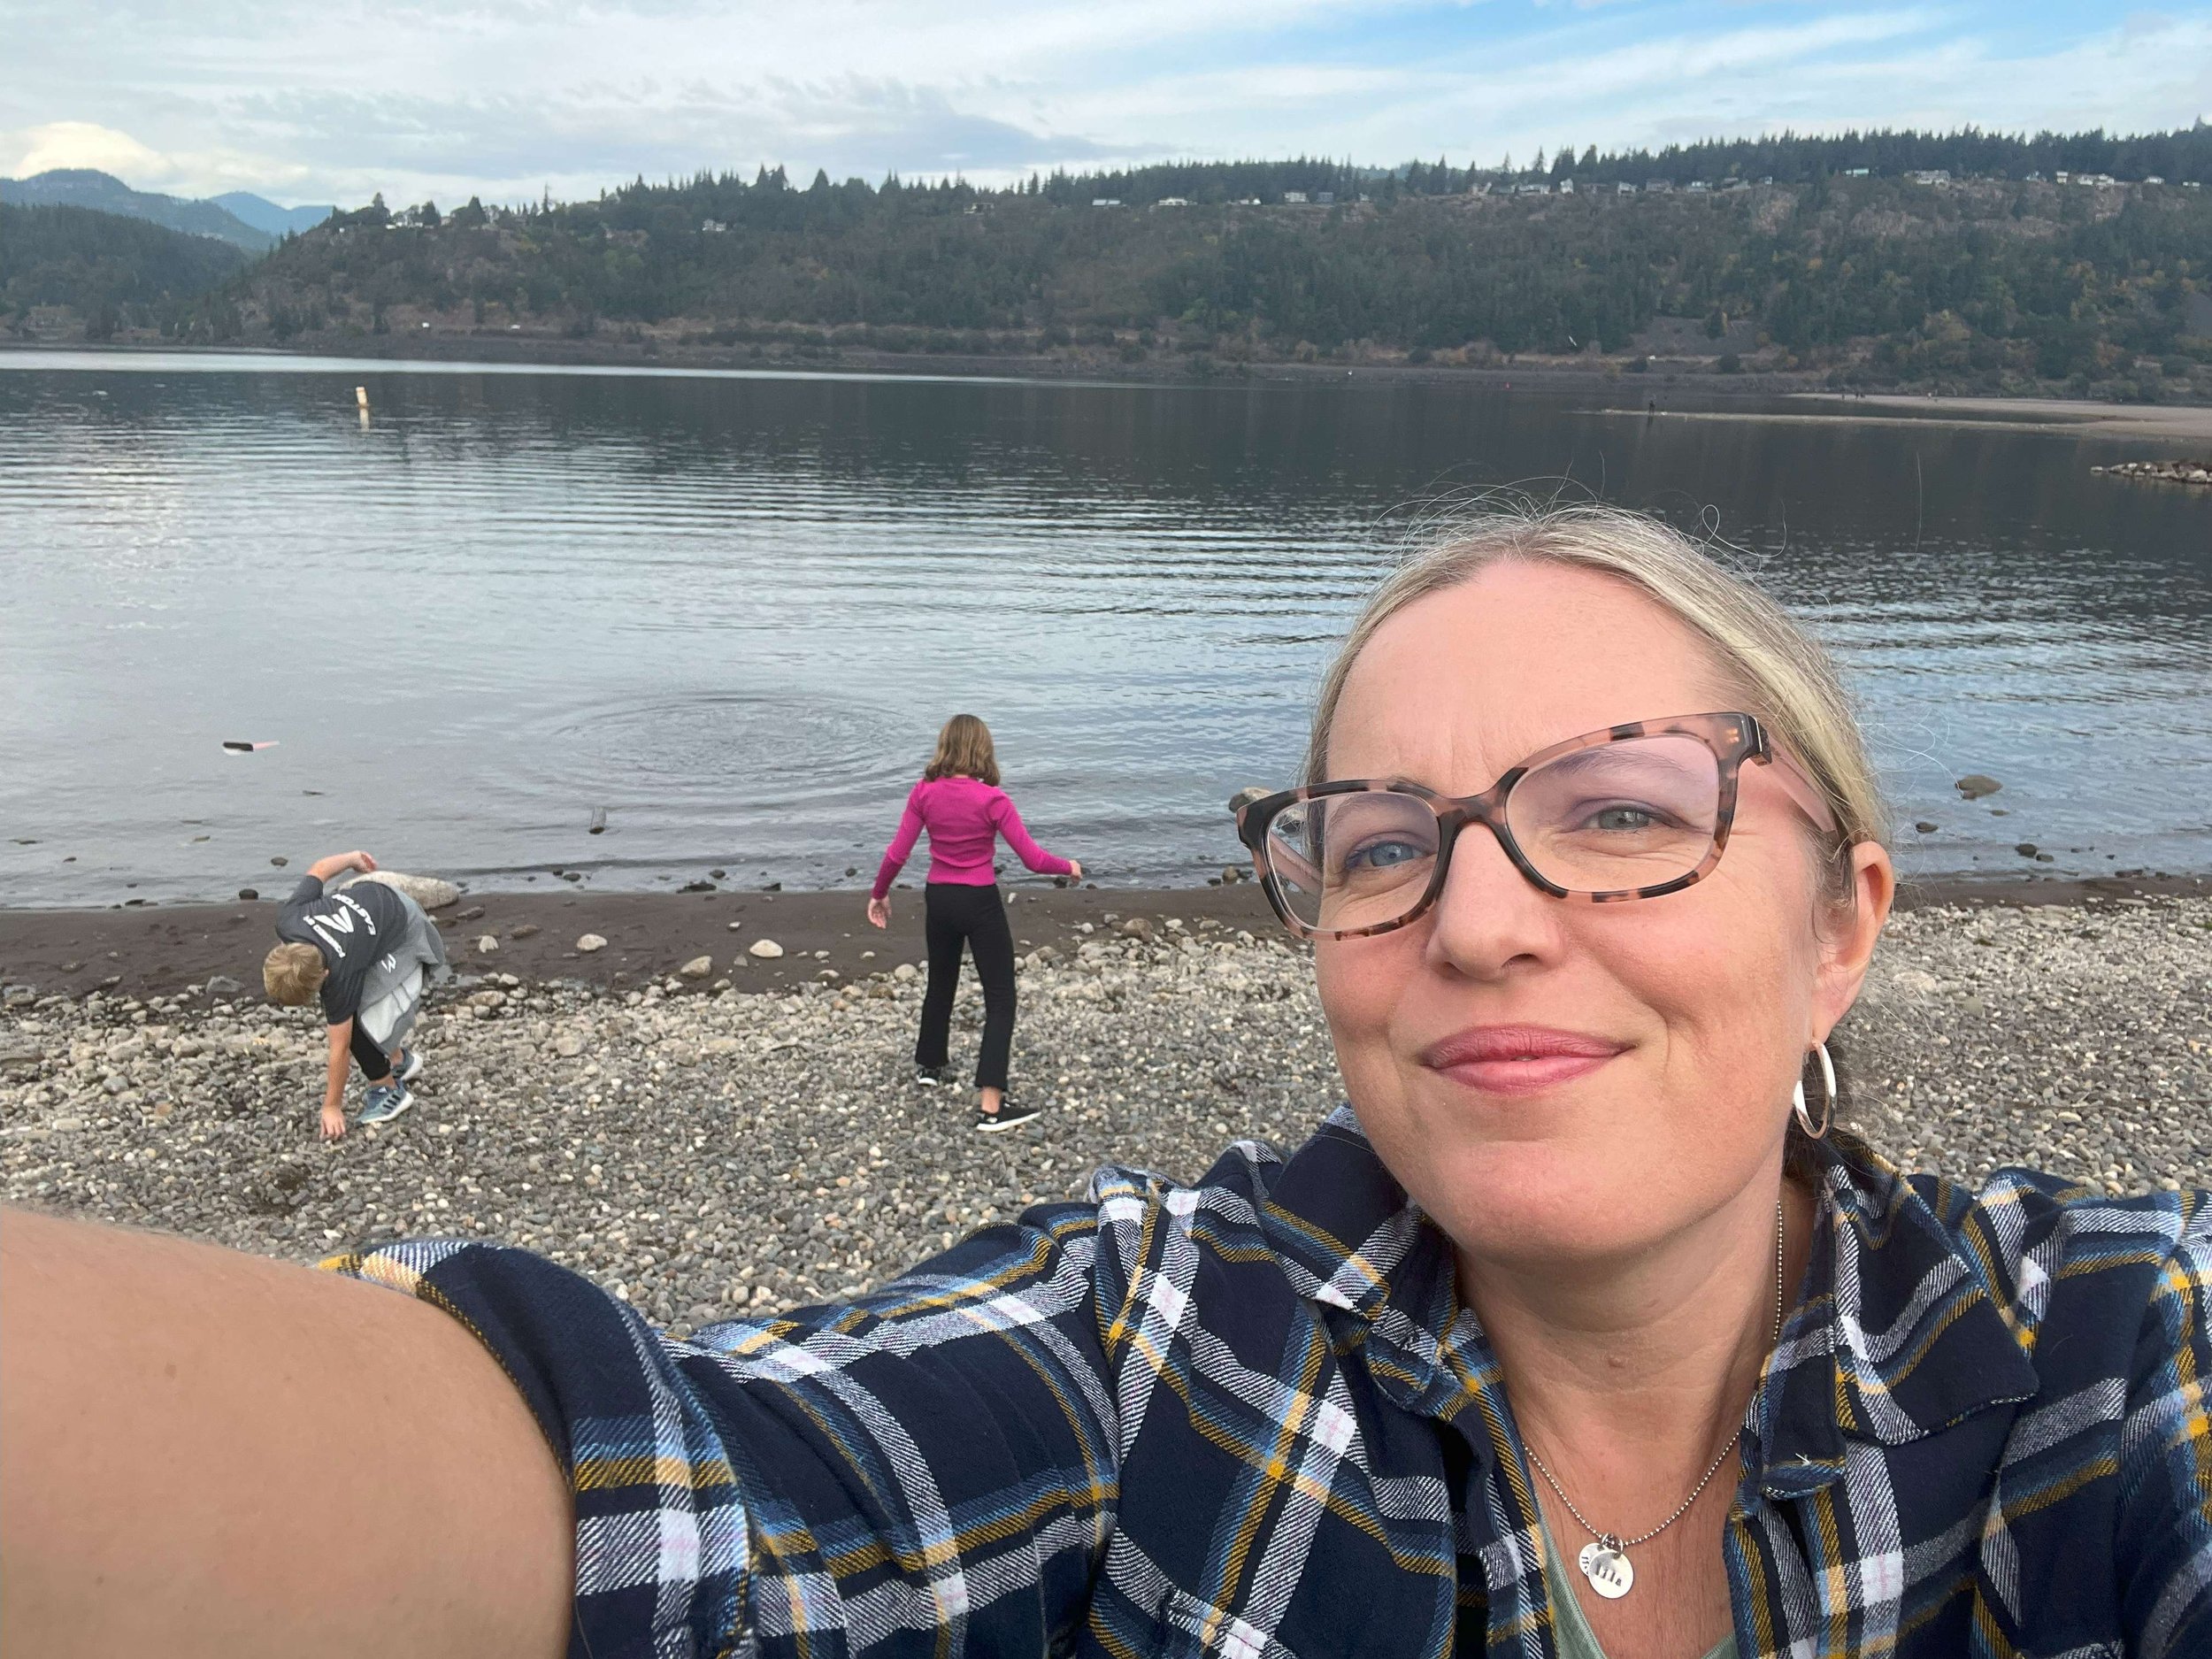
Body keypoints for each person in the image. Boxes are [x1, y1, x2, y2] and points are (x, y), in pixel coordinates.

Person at [6, 505, 2209, 1658]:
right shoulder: (1176, 1352)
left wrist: (968, 878)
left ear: (1847, 914)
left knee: (981, 1023)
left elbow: (975, 849)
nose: (1476, 914)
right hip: (960, 940)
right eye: (1375, 836)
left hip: (966, 929)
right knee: (977, 1032)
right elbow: (685, 1502)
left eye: (1625, 806)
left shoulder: (2116, 1364)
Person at [866, 713, 1081, 1133]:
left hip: (940, 897)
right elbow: (1034, 859)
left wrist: (879, 893)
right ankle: (991, 1105)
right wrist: (1068, 866)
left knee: (941, 980)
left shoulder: (924, 792)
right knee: (1000, 996)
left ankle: (930, 1066)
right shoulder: (993, 800)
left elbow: (897, 853)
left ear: (945, 746)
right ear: (983, 749)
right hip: (979, 901)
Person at [261, 849, 449, 1138]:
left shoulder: (339, 974)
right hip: (370, 895)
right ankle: (399, 1060)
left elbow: (340, 1047)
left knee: (359, 1025)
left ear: (324, 977)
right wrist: (352, 859)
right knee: (357, 1011)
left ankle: (387, 1089)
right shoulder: (289, 919)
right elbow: (320, 867)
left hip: (403, 923)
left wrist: (332, 1106)